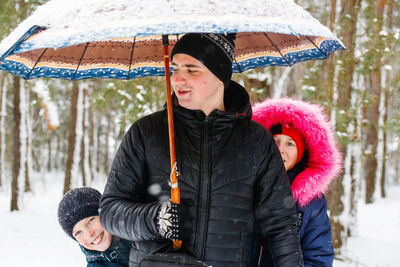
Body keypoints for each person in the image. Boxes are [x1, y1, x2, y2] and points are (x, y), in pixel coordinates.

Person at [99, 33, 303, 267]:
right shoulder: (147, 132)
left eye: (191, 69)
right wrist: (155, 219)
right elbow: (110, 212)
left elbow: (280, 225)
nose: (178, 79)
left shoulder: (257, 141)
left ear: (220, 76)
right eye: (174, 69)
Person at [252, 98, 342, 267]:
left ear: (300, 154)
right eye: (274, 140)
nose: (280, 149)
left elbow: (318, 257)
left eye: (290, 144)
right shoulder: (243, 185)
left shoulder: (310, 202)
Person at [57, 187, 131, 267]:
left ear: (105, 214)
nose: (89, 234)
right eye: (78, 232)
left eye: (91, 220)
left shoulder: (138, 229)